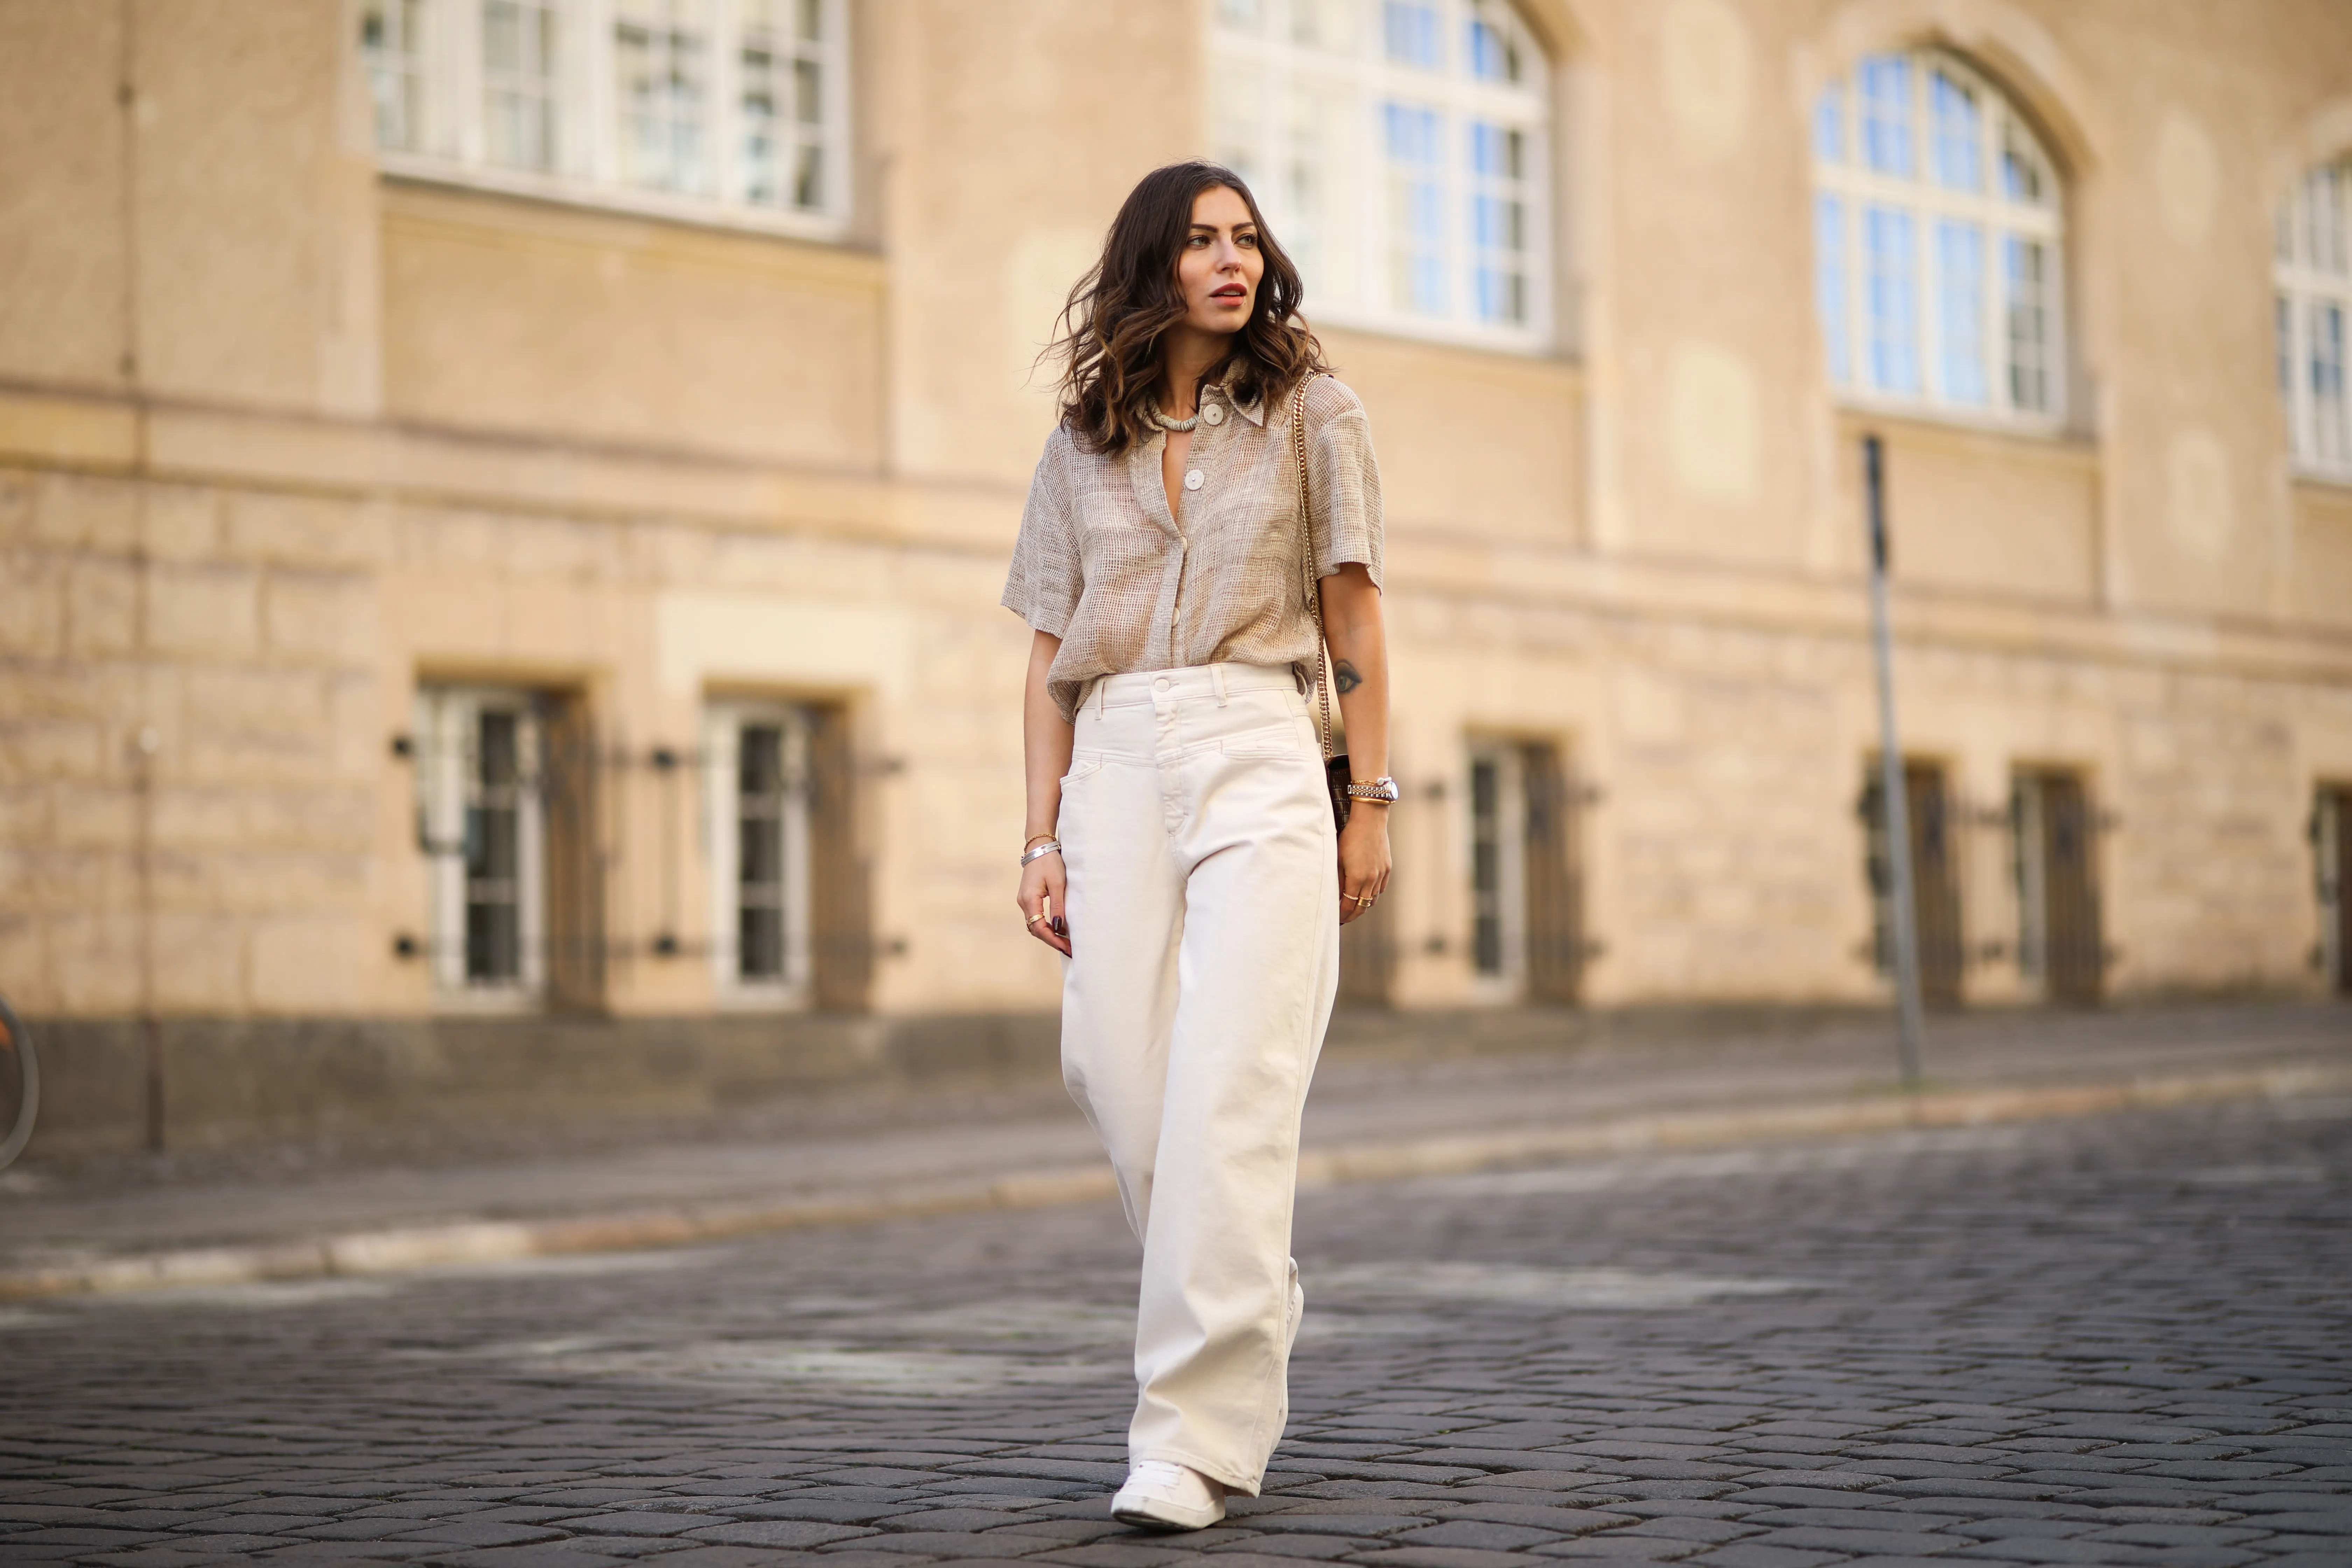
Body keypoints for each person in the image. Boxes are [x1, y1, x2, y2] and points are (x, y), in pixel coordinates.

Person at [1000, 161, 1395, 1532]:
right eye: (1201, 241)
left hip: (1257, 744)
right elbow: (1047, 652)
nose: (1233, 261)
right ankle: (1246, 1285)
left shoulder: (1313, 413)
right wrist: (1039, 832)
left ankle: (1190, 1440)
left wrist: (1370, 799)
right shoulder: (1081, 441)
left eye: (1248, 240)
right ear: (1149, 264)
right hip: (1114, 752)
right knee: (1114, 1067)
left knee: (1234, 1081)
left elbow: (1355, 617)